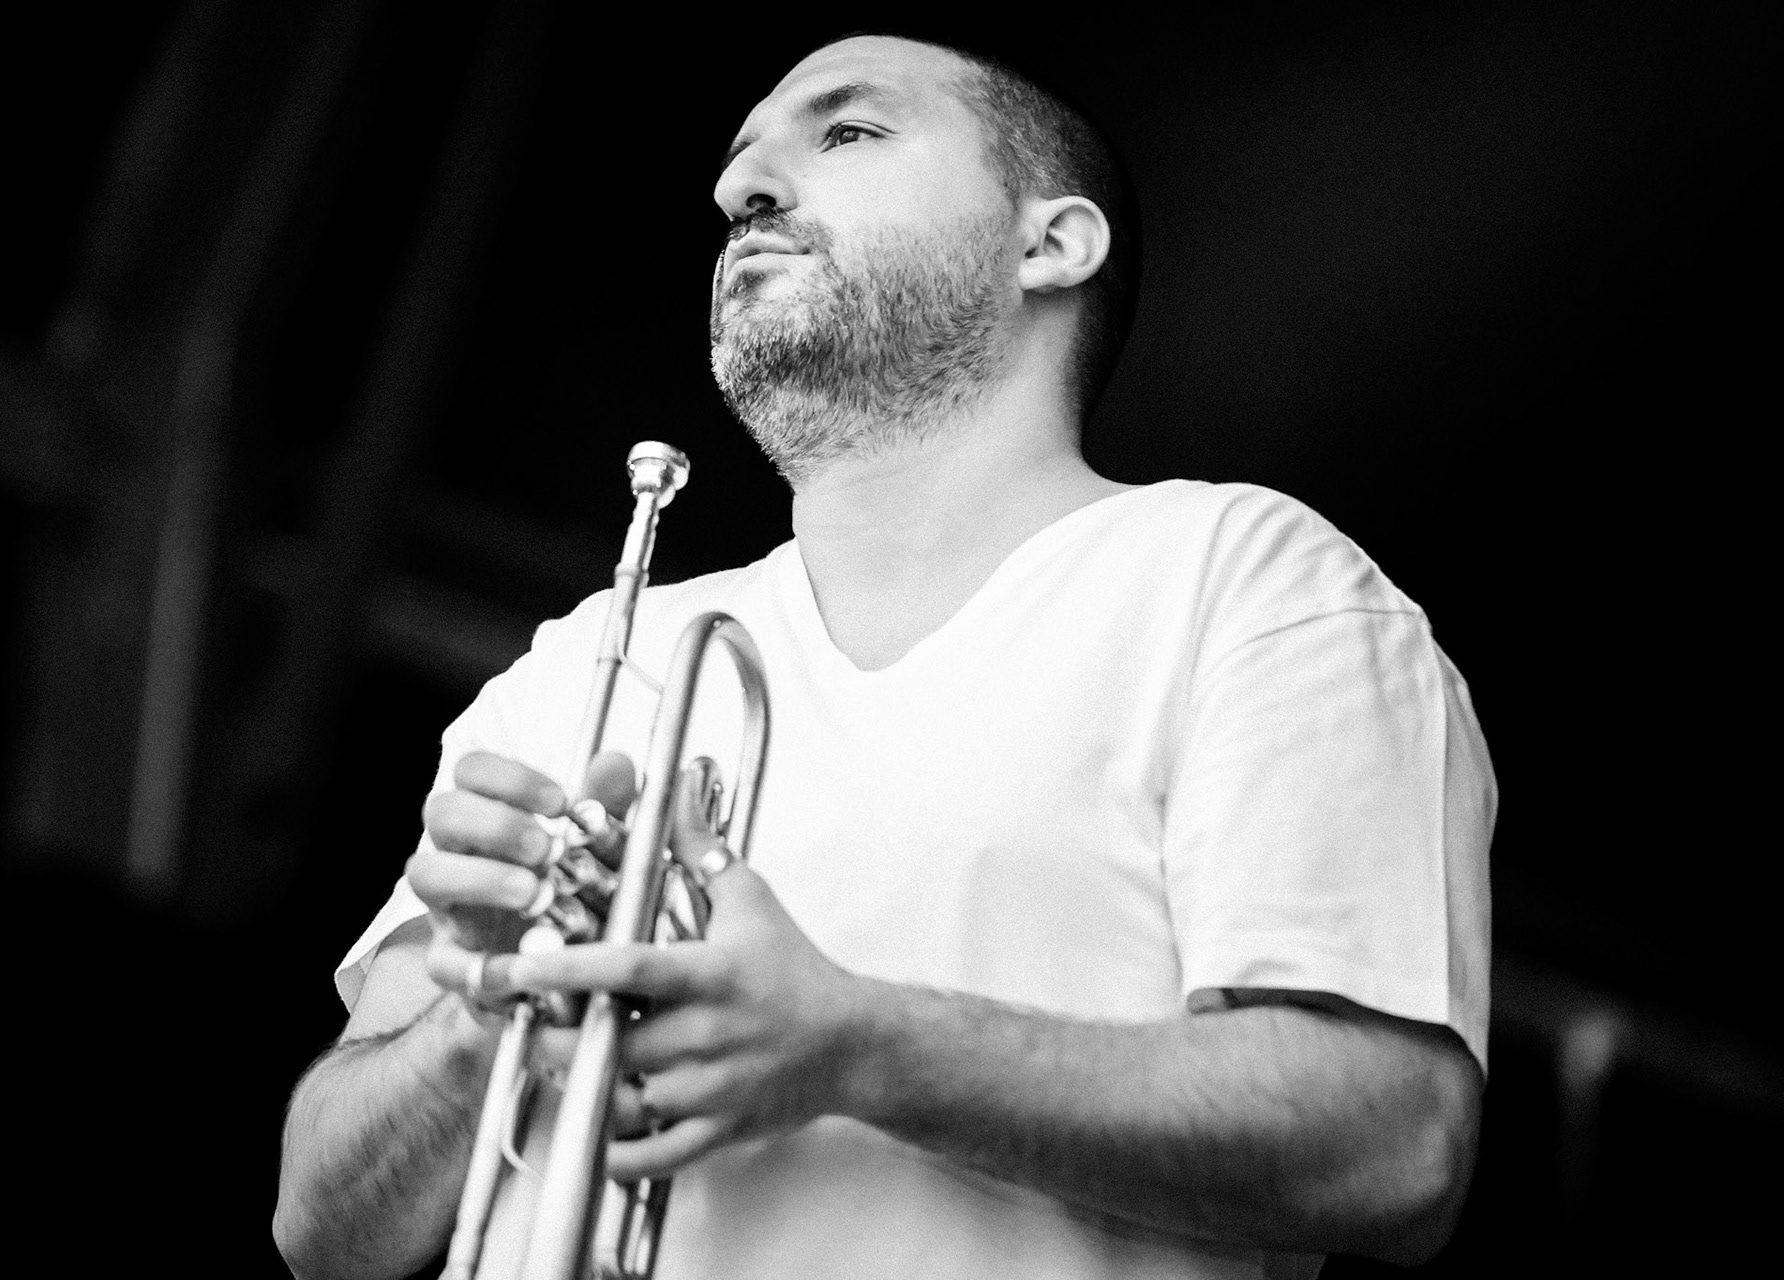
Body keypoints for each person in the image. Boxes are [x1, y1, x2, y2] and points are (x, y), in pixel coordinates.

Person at [274, 32, 1494, 1280]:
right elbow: (319, 1226)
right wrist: (489, 1008)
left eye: (847, 131)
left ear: (1050, 243)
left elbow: (1394, 1142)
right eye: (739, 166)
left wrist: (858, 1045)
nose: (739, 189)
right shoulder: (587, 658)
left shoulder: (1250, 583)